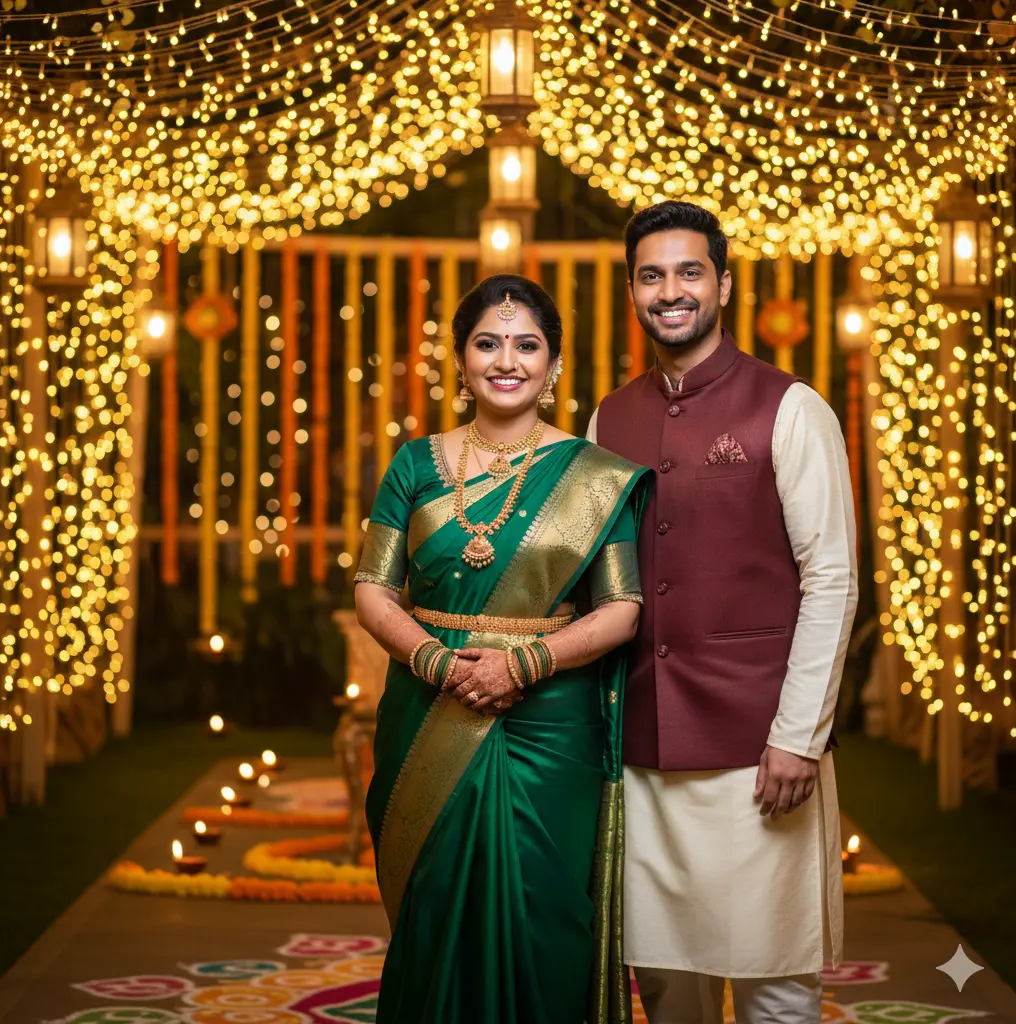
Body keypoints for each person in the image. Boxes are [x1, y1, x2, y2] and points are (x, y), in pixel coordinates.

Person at [588, 201, 858, 1024]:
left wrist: (797, 736)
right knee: (667, 987)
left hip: (760, 754)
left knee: (777, 985)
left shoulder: (791, 407)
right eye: (652, 275)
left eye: (689, 272)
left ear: (724, 284)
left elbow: (833, 580)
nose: (671, 291)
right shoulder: (607, 418)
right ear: (633, 290)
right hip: (643, 755)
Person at [355, 273, 652, 1024]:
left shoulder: (595, 475)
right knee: (434, 903)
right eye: (488, 343)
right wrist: (436, 664)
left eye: (527, 344)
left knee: (545, 909)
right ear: (460, 360)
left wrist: (524, 662)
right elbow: (371, 591)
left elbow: (623, 609)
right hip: (429, 711)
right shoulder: (415, 465)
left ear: (553, 365)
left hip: (550, 724)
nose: (506, 359)